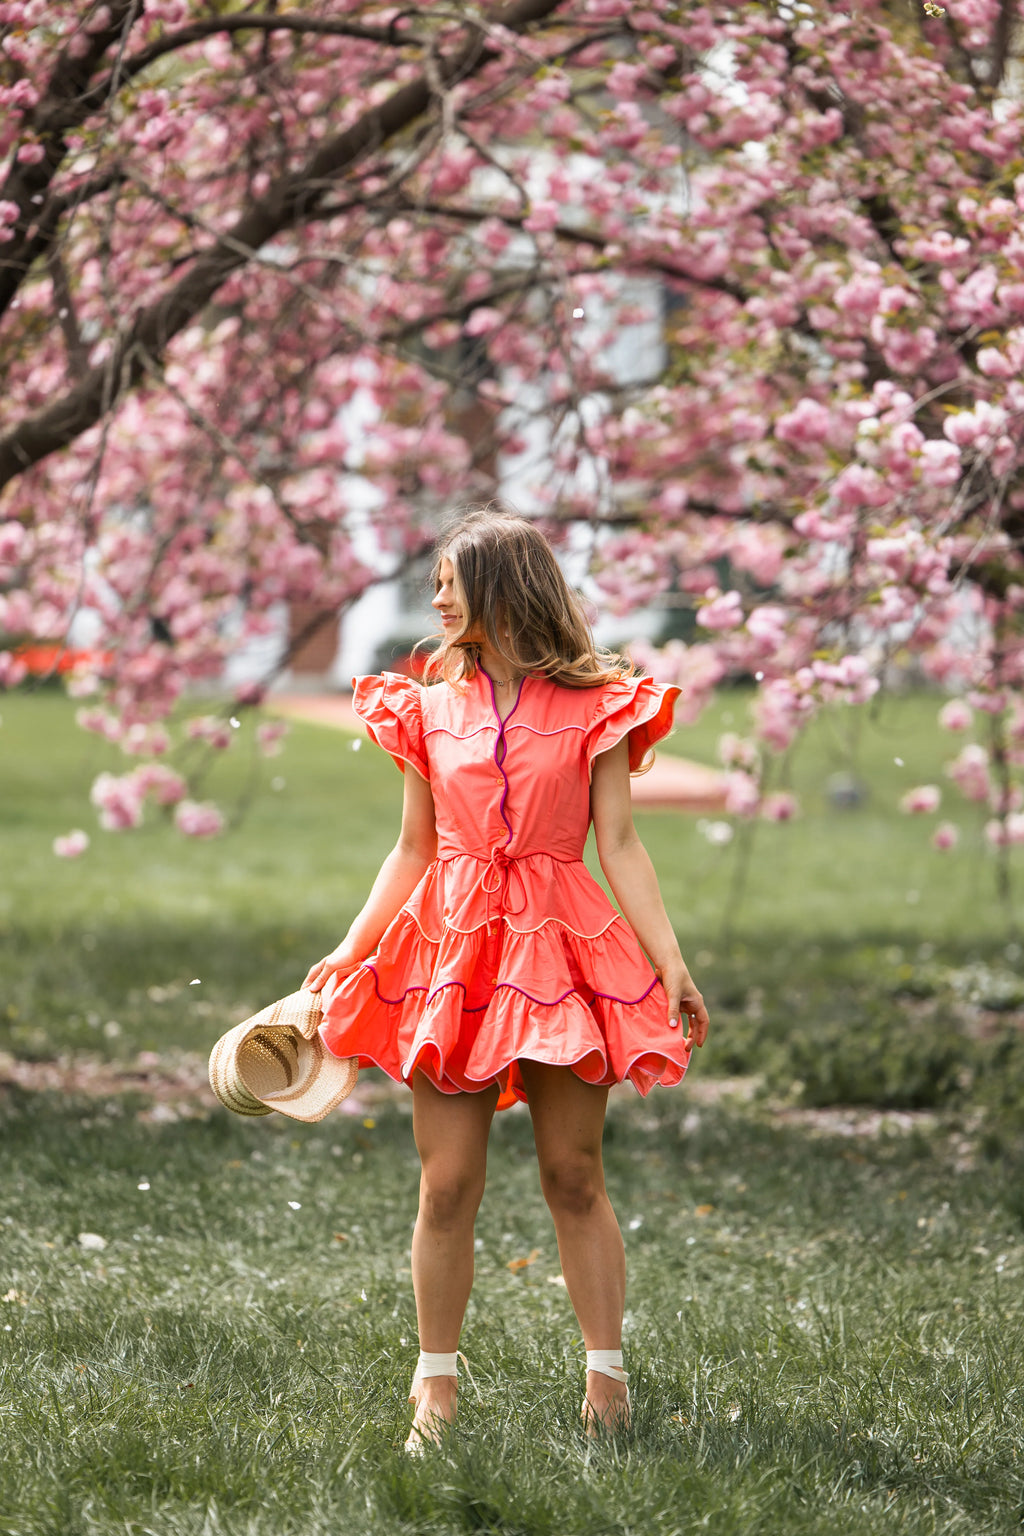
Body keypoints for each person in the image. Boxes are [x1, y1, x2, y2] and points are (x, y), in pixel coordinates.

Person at [304, 507, 709, 1449]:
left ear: (500, 588)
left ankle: (606, 1384)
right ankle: (433, 1392)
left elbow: (621, 846)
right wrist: (354, 945)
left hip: (567, 950)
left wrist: (670, 960)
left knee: (574, 1173)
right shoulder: (423, 706)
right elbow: (411, 849)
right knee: (447, 1185)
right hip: (450, 954)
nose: (436, 597)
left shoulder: (601, 704)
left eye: (451, 579)